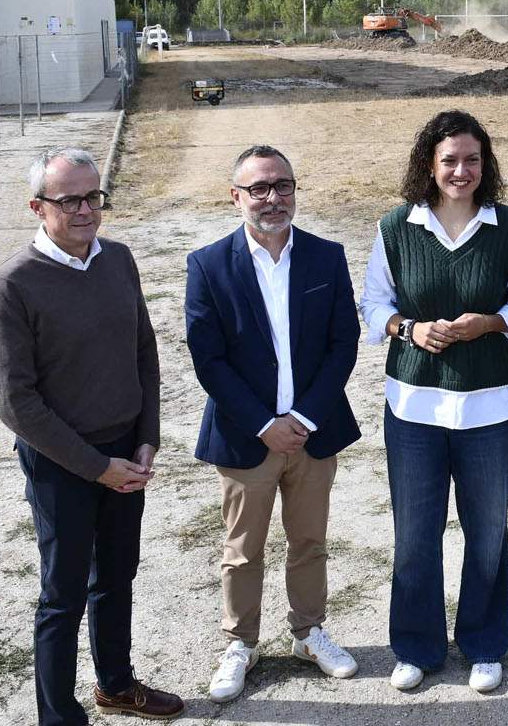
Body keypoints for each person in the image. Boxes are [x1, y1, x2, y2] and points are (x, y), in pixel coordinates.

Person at [0, 147, 184, 725]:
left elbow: (144, 351)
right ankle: (59, 716)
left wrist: (147, 439)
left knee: (117, 575)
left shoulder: (118, 259)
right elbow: (15, 402)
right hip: (61, 463)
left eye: (92, 196)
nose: (84, 210)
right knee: (62, 594)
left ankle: (116, 685)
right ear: (36, 207)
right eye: (67, 199)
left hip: (127, 451)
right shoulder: (11, 286)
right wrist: (96, 467)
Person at [360, 110, 508, 694]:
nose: (462, 170)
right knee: (415, 533)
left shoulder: (507, 228)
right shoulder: (395, 228)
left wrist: (489, 323)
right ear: (429, 167)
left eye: (473, 160)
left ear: (486, 165)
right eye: (450, 160)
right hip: (414, 408)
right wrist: (409, 330)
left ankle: (484, 644)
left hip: (490, 408)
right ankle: (416, 646)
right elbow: (374, 306)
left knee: (487, 531)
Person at [185, 144, 362, 703]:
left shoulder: (325, 257)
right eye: (258, 188)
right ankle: (240, 643)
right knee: (243, 547)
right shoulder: (208, 264)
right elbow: (207, 358)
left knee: (309, 541)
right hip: (247, 437)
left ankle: (309, 632)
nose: (272, 198)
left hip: (314, 433)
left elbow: (343, 343)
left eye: (282, 185)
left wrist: (304, 417)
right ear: (235, 196)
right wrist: (265, 424)